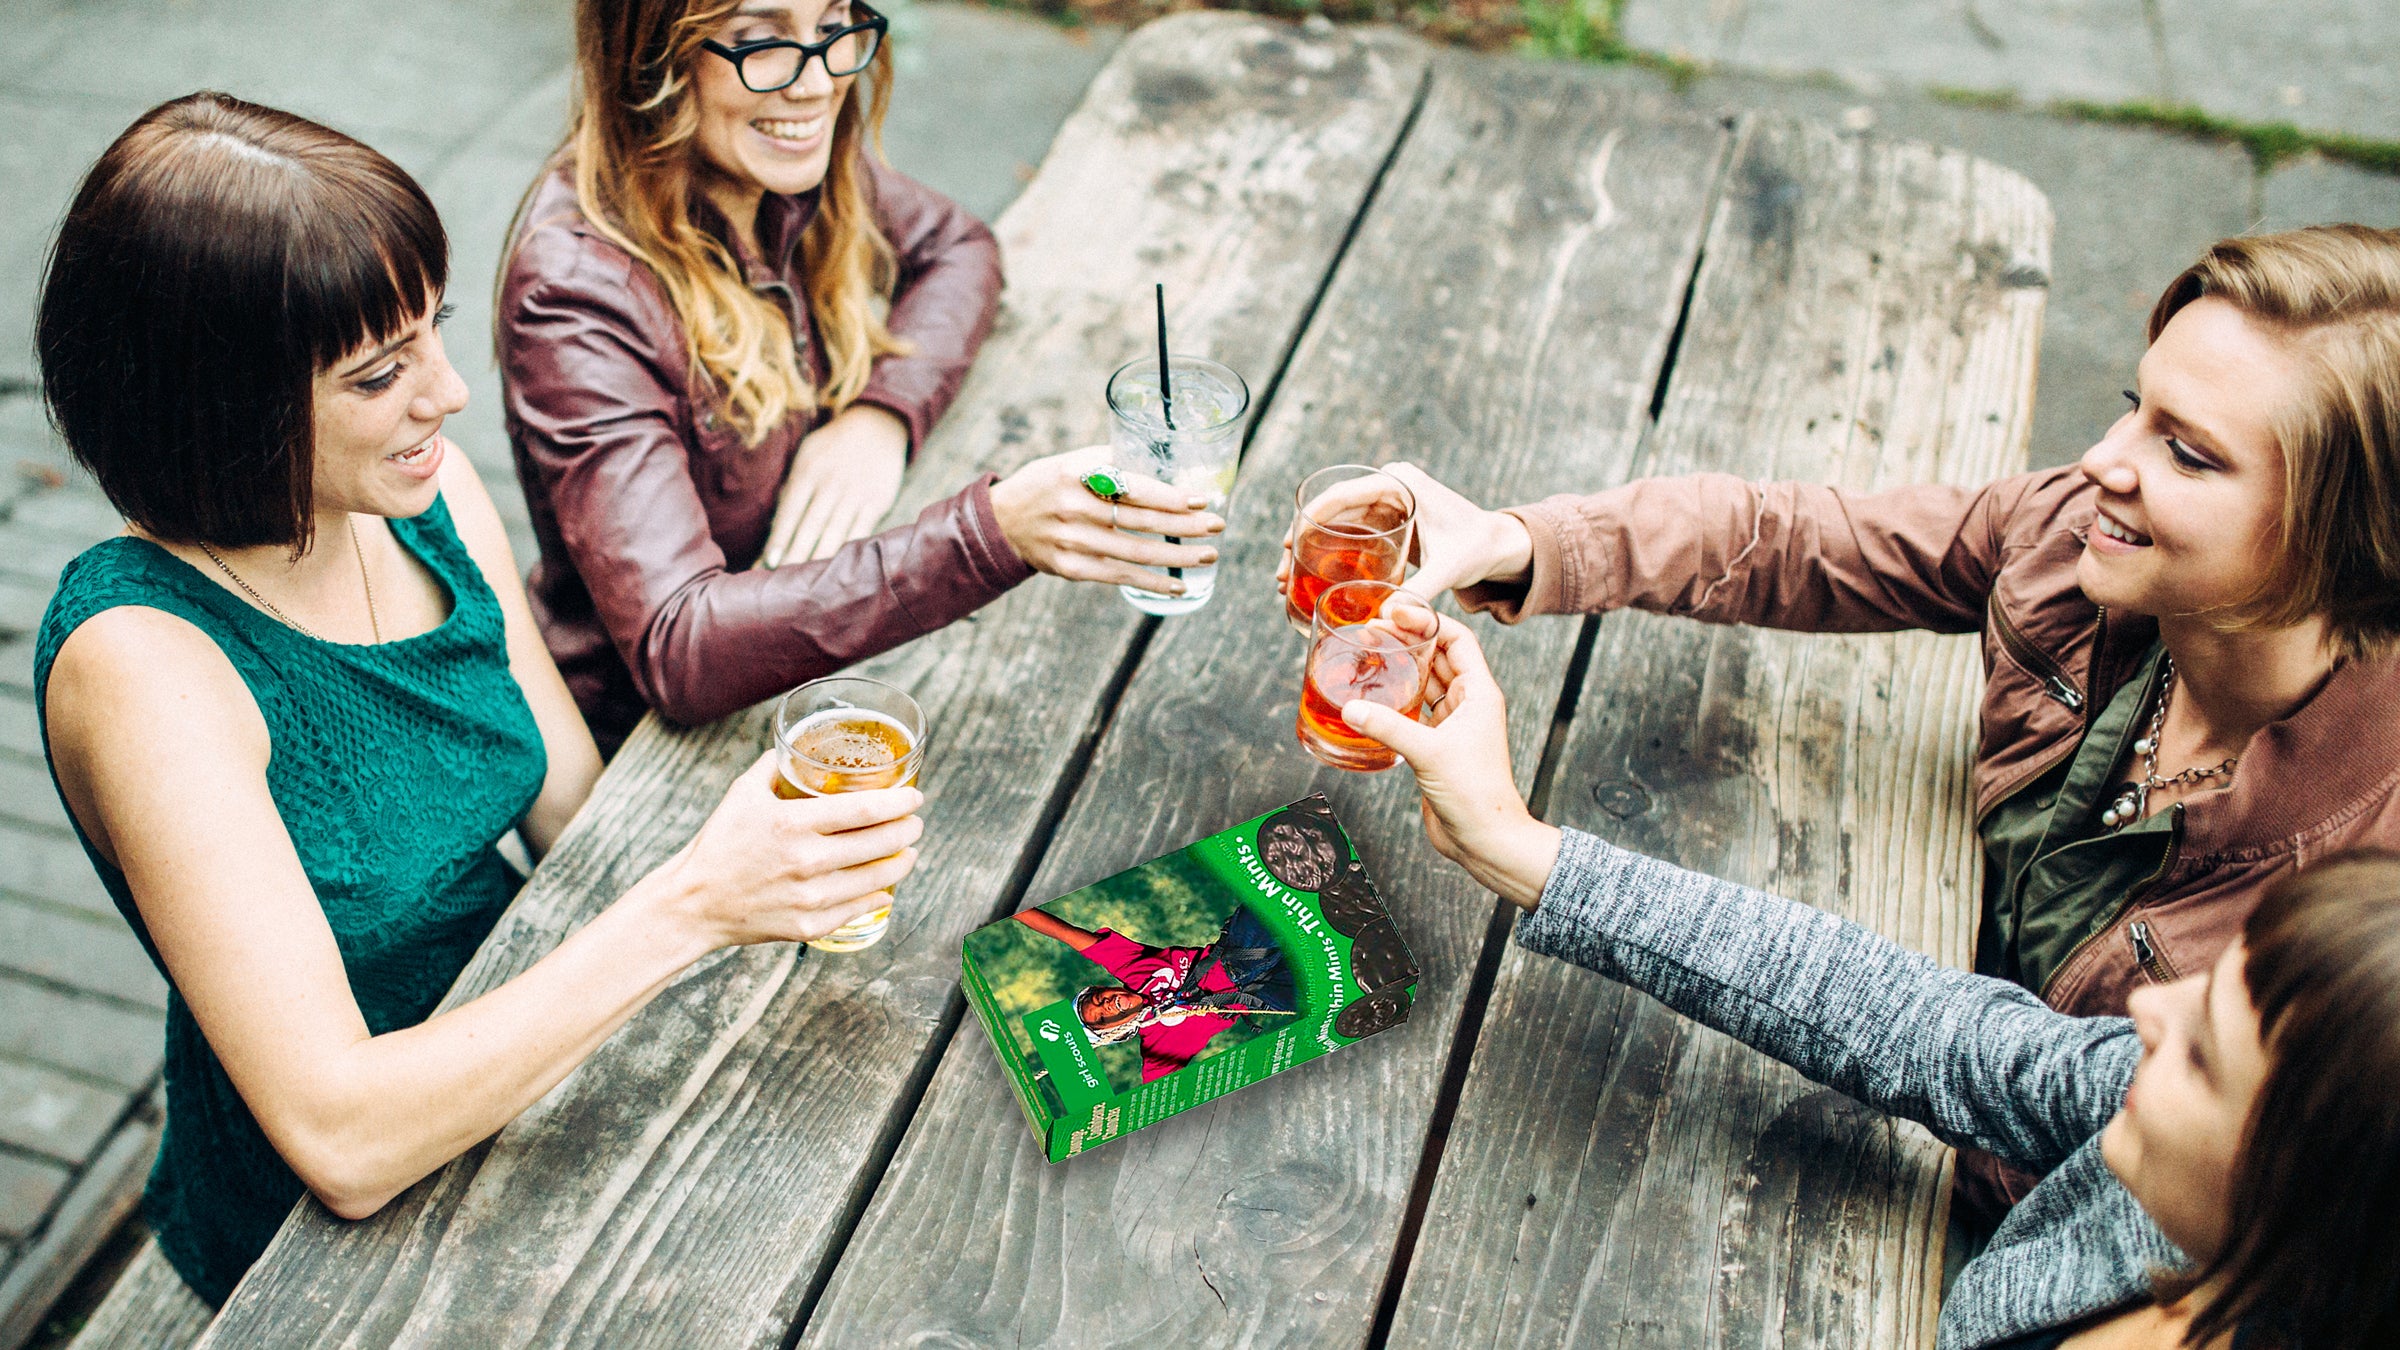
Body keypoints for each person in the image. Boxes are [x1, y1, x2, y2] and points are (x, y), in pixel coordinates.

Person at [1312, 224, 2400, 1218]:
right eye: (2135, 404)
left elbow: (2039, 1094)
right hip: (1890, 1038)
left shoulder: (2360, 913)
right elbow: (1802, 541)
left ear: (2353, 539)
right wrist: (1515, 540)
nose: (2108, 461)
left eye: (2189, 452)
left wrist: (1526, 849)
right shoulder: (2083, 540)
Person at [32, 95, 923, 1307]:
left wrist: (777, 855)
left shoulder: (426, 495)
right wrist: (699, 903)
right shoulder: (145, 661)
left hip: (545, 1064)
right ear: (221, 406)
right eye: (379, 374)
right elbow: (344, 1141)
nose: (450, 396)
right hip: (331, 1260)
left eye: (432, 333)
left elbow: (570, 810)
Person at [1345, 616, 2398, 1350]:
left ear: (2317, 1208)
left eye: (2205, 1053)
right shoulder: (2178, 1135)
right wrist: (1523, 850)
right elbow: (1921, 1022)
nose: (2150, 1013)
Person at [500, 0, 1220, 754]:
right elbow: (682, 645)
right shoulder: (575, 292)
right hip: (653, 757)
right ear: (647, 57)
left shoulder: (777, 160)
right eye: (760, 39)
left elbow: (958, 247)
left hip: (826, 660)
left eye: (833, 21)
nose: (817, 83)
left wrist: (879, 417)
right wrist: (992, 536)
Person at [1012, 907, 1298, 1082]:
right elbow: (1156, 1101)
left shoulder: (1132, 968)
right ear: (1117, 1032)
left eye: (1098, 998)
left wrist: (1015, 908)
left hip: (1241, 951)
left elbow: (1065, 933)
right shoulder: (1158, 1047)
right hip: (1267, 993)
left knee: (1273, 899)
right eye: (1103, 1017)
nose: (1107, 1004)